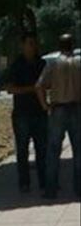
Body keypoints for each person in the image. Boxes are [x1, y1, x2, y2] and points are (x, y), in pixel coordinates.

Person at [36, 34, 81, 199]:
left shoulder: (53, 64)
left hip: (58, 109)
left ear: (59, 46)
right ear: (72, 45)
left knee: (53, 151)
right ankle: (79, 188)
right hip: (76, 108)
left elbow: (39, 86)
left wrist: (45, 105)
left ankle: (51, 189)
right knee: (79, 150)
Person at [5, 32, 48, 193]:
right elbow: (10, 88)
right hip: (22, 114)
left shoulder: (42, 63)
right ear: (22, 45)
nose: (33, 46)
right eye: (30, 43)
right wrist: (32, 89)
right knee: (22, 150)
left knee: (42, 149)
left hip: (40, 112)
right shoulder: (16, 65)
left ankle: (44, 181)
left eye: (34, 43)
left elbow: (48, 84)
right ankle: (24, 183)